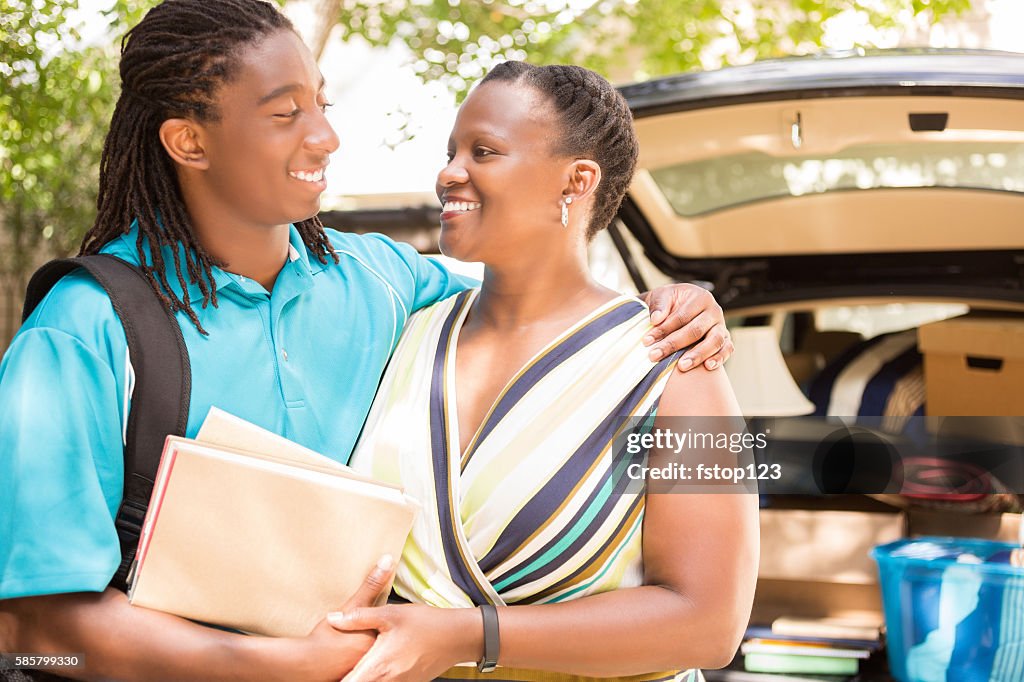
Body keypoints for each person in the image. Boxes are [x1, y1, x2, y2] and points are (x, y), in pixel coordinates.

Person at [0, 1, 733, 679]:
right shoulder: (82, 330)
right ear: (189, 141)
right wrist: (289, 668)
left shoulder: (380, 284)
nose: (325, 136)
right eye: (285, 113)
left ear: (576, 181)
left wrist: (686, 302)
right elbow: (35, 635)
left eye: (321, 104)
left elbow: (548, 313)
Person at [340, 62, 760, 681]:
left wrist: (468, 635)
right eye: (451, 151)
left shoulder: (678, 362)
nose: (449, 173)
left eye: (484, 151)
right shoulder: (410, 331)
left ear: (576, 180)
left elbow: (709, 623)